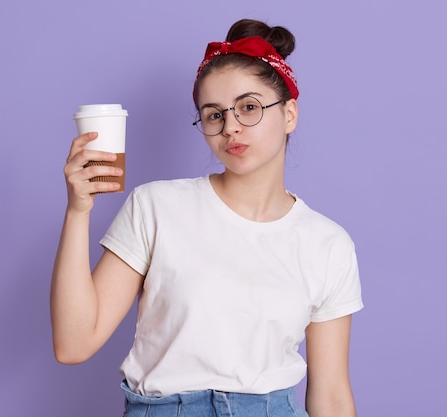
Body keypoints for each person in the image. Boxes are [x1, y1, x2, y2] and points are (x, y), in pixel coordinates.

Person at [51, 18, 363, 417]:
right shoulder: (156, 206)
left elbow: (332, 396)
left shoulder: (328, 243)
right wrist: (78, 211)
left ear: (289, 115)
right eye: (214, 114)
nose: (230, 126)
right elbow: (73, 344)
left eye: (249, 107)